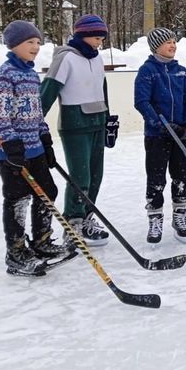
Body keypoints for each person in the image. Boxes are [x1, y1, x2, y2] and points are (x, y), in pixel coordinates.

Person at [0, 21, 73, 277]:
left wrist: (45, 138)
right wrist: (12, 146)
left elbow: (37, 114)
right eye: (30, 42)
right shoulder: (4, 75)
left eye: (38, 42)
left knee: (48, 191)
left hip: (34, 148)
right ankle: (15, 254)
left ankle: (42, 241)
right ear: (14, 44)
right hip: (11, 153)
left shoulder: (30, 74)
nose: (36, 47)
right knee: (18, 200)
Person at [41, 14, 111, 246]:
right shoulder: (66, 58)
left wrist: (108, 119)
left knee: (96, 176)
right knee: (80, 176)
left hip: (97, 123)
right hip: (75, 124)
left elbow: (102, 88)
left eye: (102, 35)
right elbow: (48, 91)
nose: (100, 40)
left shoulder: (97, 58)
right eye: (96, 36)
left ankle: (88, 216)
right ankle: (73, 222)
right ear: (83, 34)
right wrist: (34, 124)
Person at [134, 28, 186, 243]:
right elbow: (142, 101)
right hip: (157, 135)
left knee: (181, 176)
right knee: (156, 178)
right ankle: (155, 217)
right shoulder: (147, 71)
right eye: (168, 42)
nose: (173, 45)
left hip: (180, 133)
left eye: (174, 41)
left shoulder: (181, 71)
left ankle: (179, 215)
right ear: (155, 46)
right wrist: (157, 123)